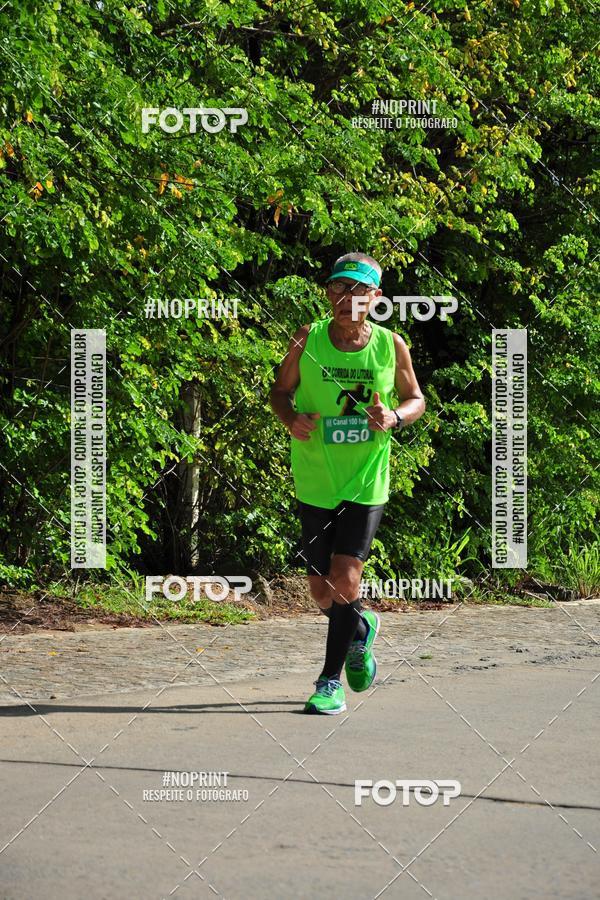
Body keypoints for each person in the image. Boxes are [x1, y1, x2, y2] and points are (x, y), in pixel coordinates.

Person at [270, 252, 426, 714]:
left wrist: (394, 416)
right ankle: (360, 629)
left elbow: (415, 398)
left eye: (359, 291)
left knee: (344, 580)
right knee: (322, 591)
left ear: (375, 298)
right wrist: (291, 417)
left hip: (365, 481)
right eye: (339, 288)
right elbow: (280, 392)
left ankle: (328, 683)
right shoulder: (308, 339)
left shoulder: (391, 345)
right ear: (329, 293)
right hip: (315, 478)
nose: (347, 299)